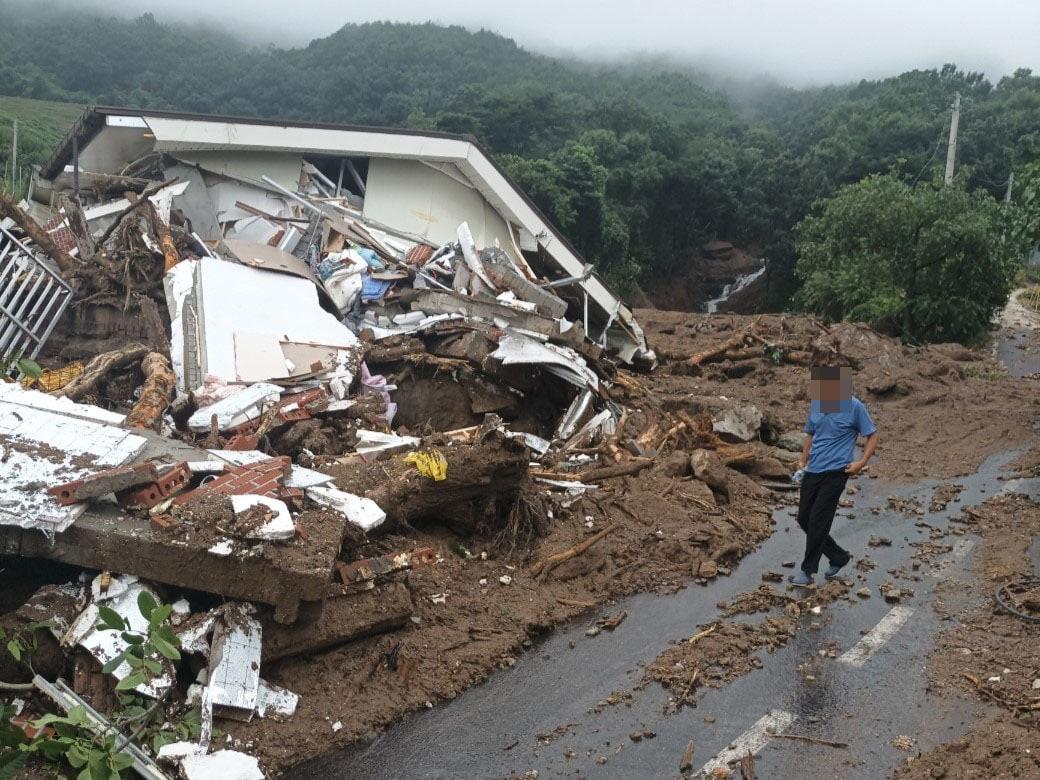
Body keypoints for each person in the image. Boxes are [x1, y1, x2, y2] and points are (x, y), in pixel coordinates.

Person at [791, 365, 878, 587]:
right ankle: (838, 556)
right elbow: (811, 434)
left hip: (836, 472)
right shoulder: (818, 405)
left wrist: (861, 462)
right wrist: (803, 460)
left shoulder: (854, 407)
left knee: (819, 519)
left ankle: (807, 571)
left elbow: (872, 435)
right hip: (813, 471)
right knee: (804, 518)